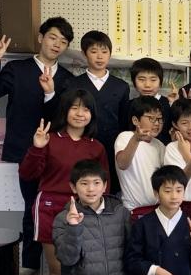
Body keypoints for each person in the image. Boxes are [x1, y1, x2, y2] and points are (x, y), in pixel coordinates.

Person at [0, 18, 74, 275]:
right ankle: (30, 263)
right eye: (53, 37)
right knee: (32, 204)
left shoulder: (67, 79)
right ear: (41, 37)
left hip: (58, 154)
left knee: (59, 206)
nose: (57, 44)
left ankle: (63, 265)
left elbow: (64, 119)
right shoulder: (17, 69)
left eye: (63, 41)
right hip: (25, 151)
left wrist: (50, 95)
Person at [19, 88, 108, 275]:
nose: (80, 114)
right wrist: (37, 147)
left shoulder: (97, 147)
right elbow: (27, 174)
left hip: (84, 209)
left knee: (84, 272)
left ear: (92, 114)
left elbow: (104, 185)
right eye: (74, 108)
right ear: (64, 111)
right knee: (57, 273)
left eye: (85, 109)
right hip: (50, 207)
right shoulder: (49, 139)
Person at [66, 30, 130, 192]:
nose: (100, 56)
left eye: (104, 52)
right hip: (81, 145)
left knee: (110, 188)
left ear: (110, 54)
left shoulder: (121, 86)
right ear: (84, 54)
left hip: (111, 147)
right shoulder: (73, 84)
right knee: (83, 186)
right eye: (94, 51)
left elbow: (124, 122)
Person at [114, 96, 166, 220]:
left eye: (159, 119)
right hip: (134, 211)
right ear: (135, 120)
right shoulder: (125, 137)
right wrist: (136, 139)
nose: (156, 123)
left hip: (160, 210)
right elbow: (122, 164)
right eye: (151, 118)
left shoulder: (160, 145)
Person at [129, 57, 173, 143]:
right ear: (134, 82)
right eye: (141, 79)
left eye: (153, 80)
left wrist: (173, 104)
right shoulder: (130, 105)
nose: (147, 85)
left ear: (160, 83)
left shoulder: (168, 103)